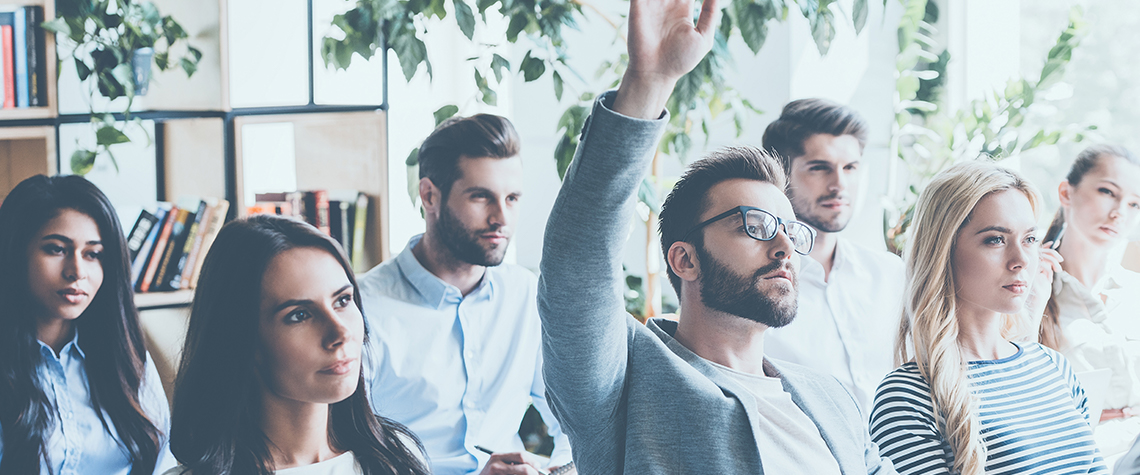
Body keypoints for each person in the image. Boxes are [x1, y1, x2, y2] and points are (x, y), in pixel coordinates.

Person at [536, 0, 896, 471]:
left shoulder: (828, 399)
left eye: (790, 231)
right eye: (757, 226)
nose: (785, 246)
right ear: (684, 259)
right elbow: (576, 265)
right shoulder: (626, 384)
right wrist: (650, 83)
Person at [358, 115, 571, 474]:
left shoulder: (526, 295)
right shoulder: (363, 309)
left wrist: (560, 471)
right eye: (481, 197)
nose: (501, 217)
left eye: (512, 198)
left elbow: (574, 421)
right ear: (429, 195)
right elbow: (344, 456)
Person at [869, 161, 1107, 475]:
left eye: (1029, 239)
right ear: (944, 250)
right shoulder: (906, 397)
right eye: (995, 239)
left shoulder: (1053, 367)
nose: (1021, 260)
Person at [165, 215, 428, 475]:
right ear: (242, 338)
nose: (340, 333)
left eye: (343, 300)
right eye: (299, 315)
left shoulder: (400, 458)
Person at [0, 174, 175, 474]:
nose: (77, 271)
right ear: (16, 253)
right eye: (56, 249)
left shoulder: (128, 360)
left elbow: (163, 465)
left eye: (93, 254)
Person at [761, 99, 905, 414]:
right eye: (819, 168)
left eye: (850, 168)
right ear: (780, 176)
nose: (840, 184)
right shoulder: (756, 289)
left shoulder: (891, 274)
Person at [1036, 144, 1140, 457]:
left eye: (1135, 204)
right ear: (1066, 193)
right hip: (1078, 456)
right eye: (1108, 192)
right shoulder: (1032, 292)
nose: (1119, 212)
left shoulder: (1134, 292)